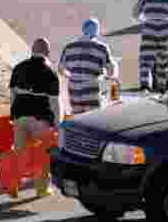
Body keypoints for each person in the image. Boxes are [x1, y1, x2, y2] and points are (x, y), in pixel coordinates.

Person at [8, 37, 62, 198]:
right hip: (40, 119)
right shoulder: (50, 72)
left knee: (20, 154)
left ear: (32, 50)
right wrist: (57, 124)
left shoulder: (18, 68)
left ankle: (13, 183)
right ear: (47, 53)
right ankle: (42, 189)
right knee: (42, 155)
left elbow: (12, 95)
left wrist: (13, 117)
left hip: (19, 117)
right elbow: (54, 103)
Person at [58, 18, 118, 116]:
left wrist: (71, 77)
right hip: (91, 89)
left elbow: (60, 69)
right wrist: (105, 77)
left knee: (78, 119)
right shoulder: (101, 48)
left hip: (74, 91)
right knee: (93, 119)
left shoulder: (69, 47)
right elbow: (111, 71)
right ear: (96, 32)